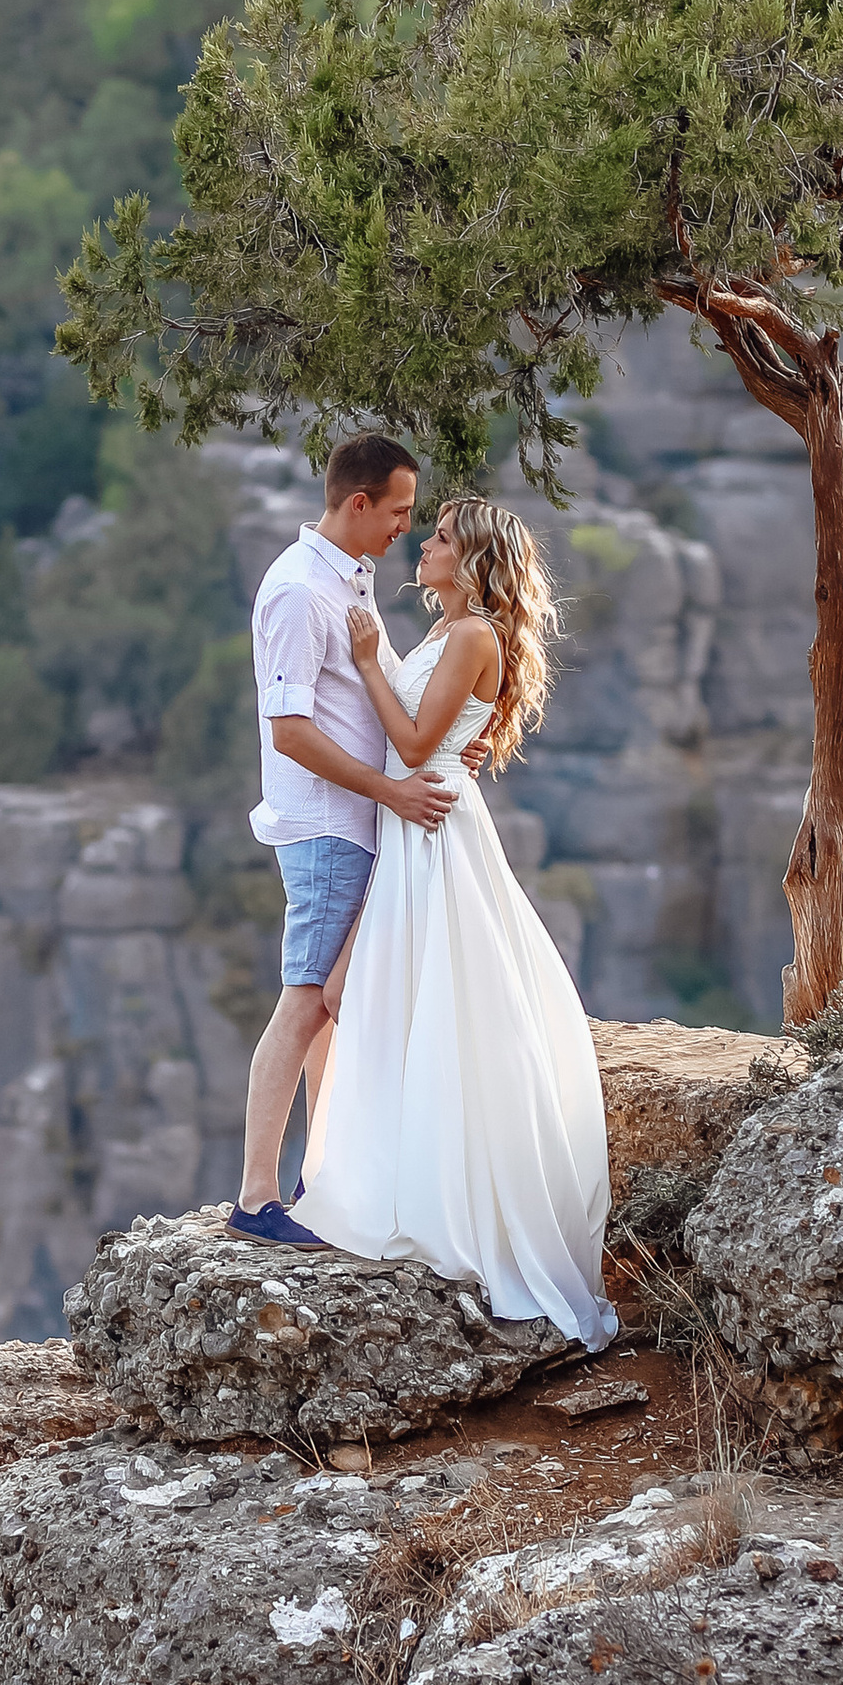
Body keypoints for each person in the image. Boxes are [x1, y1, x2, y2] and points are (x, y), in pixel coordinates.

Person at [290, 493, 615, 1344]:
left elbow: (408, 743)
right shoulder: (444, 633)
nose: (423, 545)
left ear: (469, 560)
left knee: (420, 1003)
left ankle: (436, 1199)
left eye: (437, 537)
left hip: (432, 830)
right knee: (357, 995)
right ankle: (369, 1172)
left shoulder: (472, 637)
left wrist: (366, 662)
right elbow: (425, 731)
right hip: (415, 823)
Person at [230, 433, 461, 1247]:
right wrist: (391, 791)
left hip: (357, 824)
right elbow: (290, 731)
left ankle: (320, 1180)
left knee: (331, 1005)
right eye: (399, 510)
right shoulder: (299, 593)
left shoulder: (348, 583)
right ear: (358, 503)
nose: (407, 525)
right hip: (330, 827)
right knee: (304, 1003)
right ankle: (259, 1199)